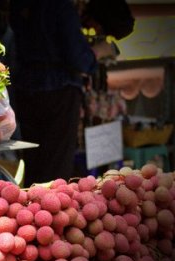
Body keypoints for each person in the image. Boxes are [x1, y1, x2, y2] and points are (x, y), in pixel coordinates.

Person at [8, 0, 130, 187]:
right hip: (58, 92)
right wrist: (100, 51)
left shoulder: (24, 5)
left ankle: (33, 209)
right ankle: (50, 211)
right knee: (56, 165)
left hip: (26, 90)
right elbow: (79, 59)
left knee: (35, 162)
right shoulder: (61, 6)